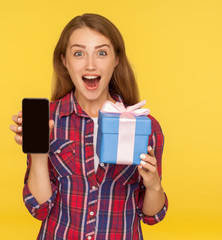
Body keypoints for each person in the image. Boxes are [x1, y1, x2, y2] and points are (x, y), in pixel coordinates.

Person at [10, 13, 168, 240]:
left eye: (101, 53)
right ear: (64, 60)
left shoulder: (145, 126)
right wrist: (38, 152)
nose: (91, 64)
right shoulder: (49, 120)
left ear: (116, 60)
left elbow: (152, 216)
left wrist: (153, 185)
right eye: (79, 53)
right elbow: (39, 208)